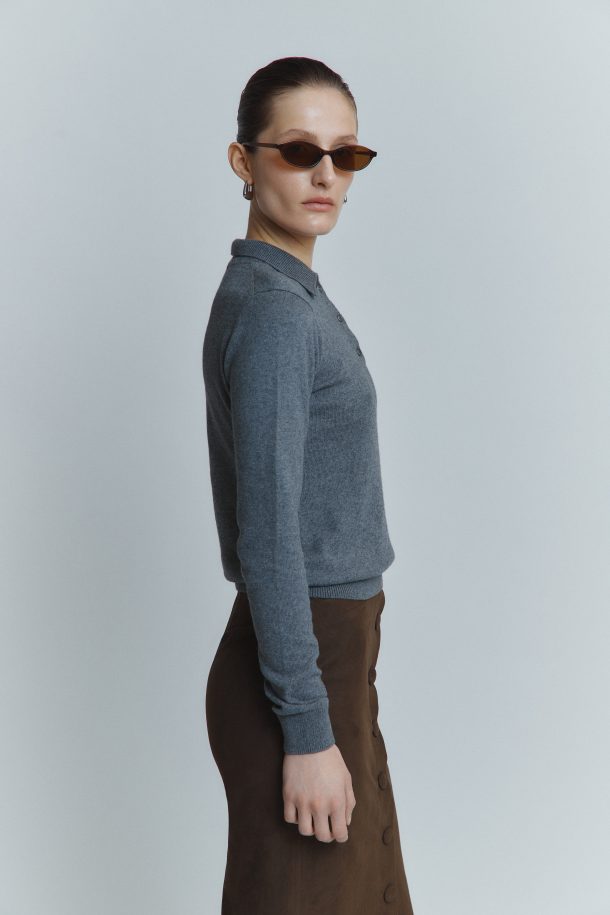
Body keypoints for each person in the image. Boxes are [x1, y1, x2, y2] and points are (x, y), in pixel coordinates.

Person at [203, 56, 415, 914]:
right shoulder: (276, 314)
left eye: (346, 154)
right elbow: (268, 534)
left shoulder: (287, 293)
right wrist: (307, 726)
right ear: (244, 161)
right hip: (303, 664)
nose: (326, 174)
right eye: (299, 150)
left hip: (332, 659)